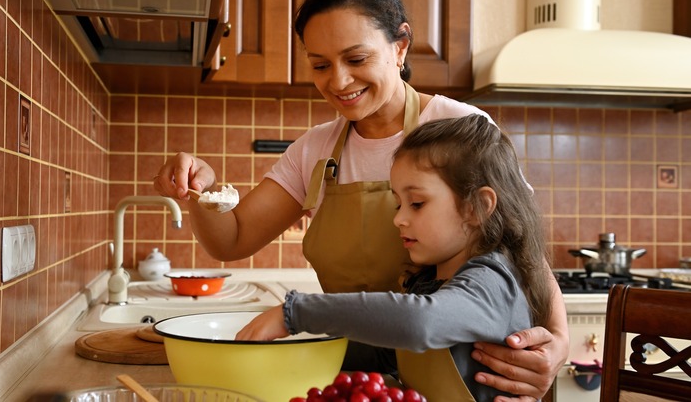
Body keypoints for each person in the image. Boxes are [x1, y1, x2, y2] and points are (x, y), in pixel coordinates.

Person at [153, 0, 568, 399]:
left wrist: (557, 340)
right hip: (358, 379)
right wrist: (201, 192)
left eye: (356, 59)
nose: (338, 81)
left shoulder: (458, 128)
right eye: (320, 65)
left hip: (459, 380)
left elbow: (523, 248)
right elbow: (232, 240)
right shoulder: (314, 150)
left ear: (400, 46)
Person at [236, 114, 555, 401]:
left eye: (416, 203)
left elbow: (419, 322)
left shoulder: (493, 280)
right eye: (397, 204)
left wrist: (295, 313)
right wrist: (294, 353)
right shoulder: (432, 280)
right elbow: (388, 354)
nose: (399, 219)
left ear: (477, 208)